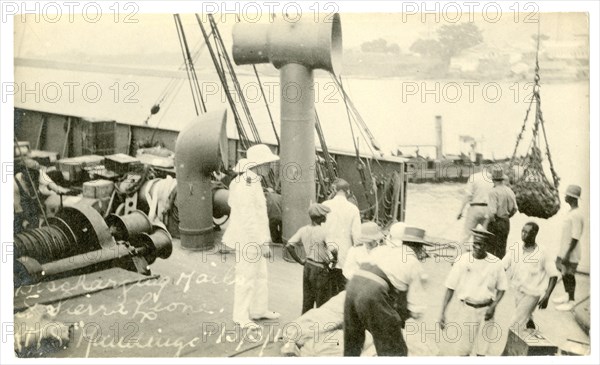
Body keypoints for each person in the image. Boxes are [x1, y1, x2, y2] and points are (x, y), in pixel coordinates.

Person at [343, 223, 431, 356]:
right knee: (394, 350)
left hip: (352, 288)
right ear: (419, 248)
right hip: (372, 294)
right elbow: (415, 309)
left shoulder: (381, 250)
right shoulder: (414, 263)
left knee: (352, 343)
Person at [222, 145, 281, 328]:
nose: (270, 167)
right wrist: (262, 242)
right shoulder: (247, 184)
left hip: (253, 238)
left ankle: (258, 310)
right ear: (258, 164)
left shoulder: (247, 181)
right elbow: (249, 219)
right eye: (268, 163)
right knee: (246, 277)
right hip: (248, 239)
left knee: (261, 275)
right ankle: (241, 316)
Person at [439, 226, 508, 356]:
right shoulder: (462, 260)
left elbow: (502, 288)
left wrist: (493, 306)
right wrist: (442, 312)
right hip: (467, 310)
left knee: (482, 352)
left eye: (481, 244)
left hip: (486, 311)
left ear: (487, 245)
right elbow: (450, 287)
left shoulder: (496, 263)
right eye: (475, 243)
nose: (477, 247)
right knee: (463, 351)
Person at [502, 222, 558, 338]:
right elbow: (502, 266)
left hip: (532, 294)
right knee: (524, 319)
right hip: (517, 291)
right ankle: (529, 329)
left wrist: (547, 296)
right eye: (523, 231)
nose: (524, 234)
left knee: (515, 324)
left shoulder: (543, 252)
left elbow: (553, 275)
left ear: (534, 234)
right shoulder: (516, 248)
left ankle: (507, 353)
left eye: (527, 232)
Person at [285, 203, 335, 314]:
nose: (326, 217)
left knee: (307, 303)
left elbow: (289, 245)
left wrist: (300, 261)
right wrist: (334, 260)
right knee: (322, 305)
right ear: (321, 217)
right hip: (321, 269)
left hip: (308, 267)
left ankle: (304, 328)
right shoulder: (324, 231)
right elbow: (333, 250)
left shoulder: (303, 230)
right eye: (325, 215)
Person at [323, 178, 362, 295]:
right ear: (348, 191)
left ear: (334, 190)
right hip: (345, 254)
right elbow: (357, 235)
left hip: (327, 252)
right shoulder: (353, 209)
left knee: (328, 288)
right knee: (342, 289)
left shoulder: (325, 205)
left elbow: (320, 229)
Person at [553, 184, 585, 311]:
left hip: (571, 252)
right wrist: (561, 253)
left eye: (567, 195)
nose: (565, 196)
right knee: (564, 274)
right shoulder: (570, 212)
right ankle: (567, 295)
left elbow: (575, 237)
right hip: (565, 251)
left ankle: (571, 300)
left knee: (570, 275)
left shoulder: (576, 215)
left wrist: (567, 254)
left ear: (572, 198)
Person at [485, 166, 518, 259]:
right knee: (502, 248)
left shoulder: (493, 192)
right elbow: (515, 209)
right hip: (505, 221)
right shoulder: (509, 191)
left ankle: (490, 269)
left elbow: (492, 212)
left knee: (490, 248)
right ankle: (501, 269)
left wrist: (490, 222)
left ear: (493, 179)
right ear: (503, 179)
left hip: (496, 222)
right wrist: (507, 216)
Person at [457, 170, 492, 251]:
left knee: (466, 235)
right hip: (488, 209)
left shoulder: (474, 177)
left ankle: (459, 258)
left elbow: (468, 195)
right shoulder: (492, 178)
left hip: (475, 207)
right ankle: (482, 257)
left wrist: (461, 211)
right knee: (485, 236)